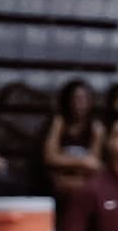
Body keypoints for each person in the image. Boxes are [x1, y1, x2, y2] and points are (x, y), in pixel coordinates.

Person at [44, 78, 105, 206]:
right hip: (56, 182)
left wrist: (66, 161)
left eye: (85, 99)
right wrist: (81, 162)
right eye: (77, 98)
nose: (81, 103)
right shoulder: (58, 122)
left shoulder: (96, 127)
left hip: (83, 181)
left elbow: (93, 164)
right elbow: (50, 158)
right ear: (68, 100)